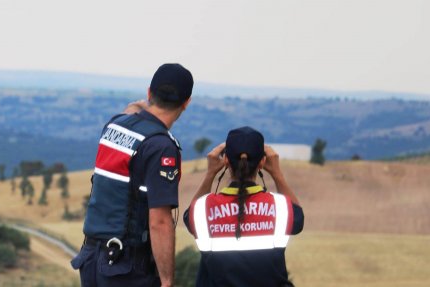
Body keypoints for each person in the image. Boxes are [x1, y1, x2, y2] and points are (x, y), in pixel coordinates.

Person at [71, 63, 194, 287]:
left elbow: (130, 110)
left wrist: (138, 108)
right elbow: (159, 220)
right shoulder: (161, 147)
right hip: (127, 269)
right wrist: (167, 281)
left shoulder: (114, 126)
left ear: (149, 93)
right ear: (186, 103)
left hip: (90, 260)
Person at [184, 126, 304, 287]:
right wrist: (277, 173)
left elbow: (190, 217)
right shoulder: (280, 206)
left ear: (226, 160)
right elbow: (298, 219)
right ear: (262, 162)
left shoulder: (202, 209)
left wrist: (210, 174)